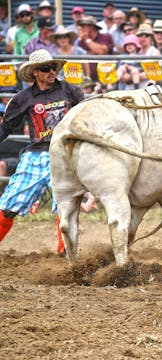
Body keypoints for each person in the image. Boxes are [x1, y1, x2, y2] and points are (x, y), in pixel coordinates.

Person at [0, 49, 84, 253]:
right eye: (46, 68)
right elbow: (6, 128)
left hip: (66, 153)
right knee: (9, 205)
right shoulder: (23, 98)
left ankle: (65, 252)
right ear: (35, 72)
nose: (51, 71)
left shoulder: (70, 91)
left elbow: (86, 116)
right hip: (37, 155)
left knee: (66, 207)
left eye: (53, 67)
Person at [77, 15, 114, 83]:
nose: (81, 28)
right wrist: (94, 51)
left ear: (91, 27)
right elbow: (82, 57)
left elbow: (102, 51)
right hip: (88, 80)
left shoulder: (106, 37)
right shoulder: (81, 42)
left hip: (106, 78)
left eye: (83, 26)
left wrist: (87, 40)